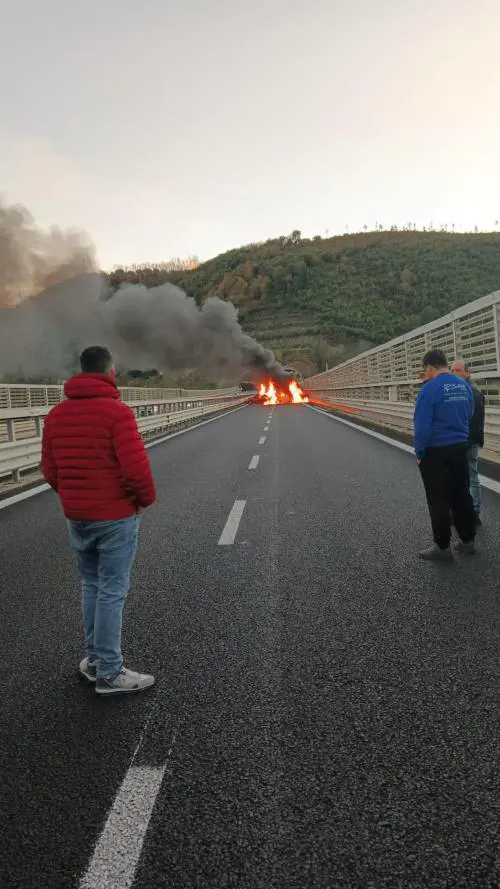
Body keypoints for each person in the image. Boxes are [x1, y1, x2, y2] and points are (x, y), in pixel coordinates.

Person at [41, 346, 157, 695]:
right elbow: (136, 468)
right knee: (112, 590)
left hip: (77, 516)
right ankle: (110, 671)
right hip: (114, 516)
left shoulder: (56, 414)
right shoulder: (117, 413)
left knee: (91, 585)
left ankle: (94, 661)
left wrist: (73, 496)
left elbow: (49, 469)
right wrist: (143, 501)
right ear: (110, 371)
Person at [414, 349, 476, 561]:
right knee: (462, 494)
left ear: (429, 368)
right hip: (460, 447)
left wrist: (420, 452)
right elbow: (469, 413)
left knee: (438, 499)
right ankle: (467, 541)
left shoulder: (429, 389)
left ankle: (442, 547)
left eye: (425, 370)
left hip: (436, 451)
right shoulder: (464, 386)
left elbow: (422, 427)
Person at [450, 359, 485, 525]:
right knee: (462, 478)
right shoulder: (464, 389)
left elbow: (475, 422)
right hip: (463, 440)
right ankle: (464, 512)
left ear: (467, 372)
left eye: (457, 370)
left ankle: (475, 512)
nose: (453, 373)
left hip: (468, 442)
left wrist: (465, 441)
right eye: (451, 370)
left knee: (471, 477)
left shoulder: (472, 391)